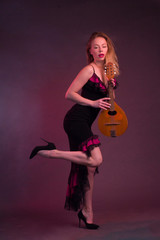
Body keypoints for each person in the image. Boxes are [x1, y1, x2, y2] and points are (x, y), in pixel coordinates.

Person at [30, 32, 119, 229]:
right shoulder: (88, 70)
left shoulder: (109, 71)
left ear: (108, 48)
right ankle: (53, 153)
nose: (100, 50)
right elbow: (69, 94)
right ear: (90, 51)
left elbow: (108, 105)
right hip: (75, 119)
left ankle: (87, 213)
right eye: (96, 47)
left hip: (86, 123)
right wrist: (93, 102)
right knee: (96, 159)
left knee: (89, 168)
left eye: (103, 46)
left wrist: (110, 92)